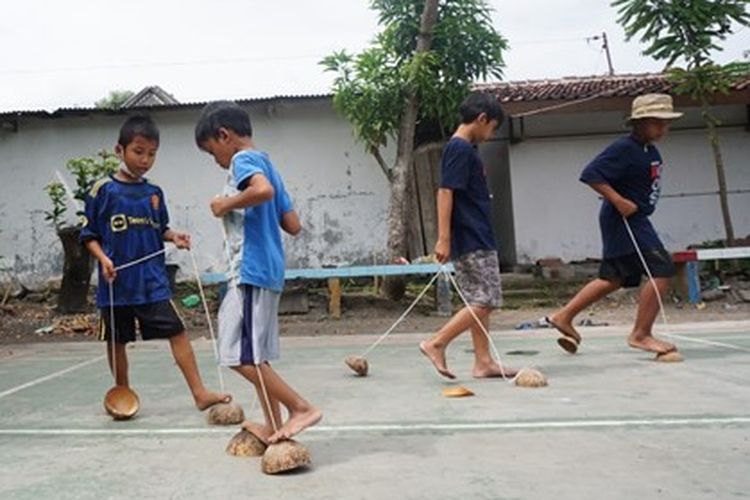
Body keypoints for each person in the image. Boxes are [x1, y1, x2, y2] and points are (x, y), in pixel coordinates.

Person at [81, 115, 231, 411]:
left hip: (152, 282)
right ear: (119, 150)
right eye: (138, 152)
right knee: (117, 341)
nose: (145, 160)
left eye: (151, 154)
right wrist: (103, 259)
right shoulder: (103, 191)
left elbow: (158, 228)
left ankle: (200, 392)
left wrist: (174, 236)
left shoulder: (154, 194)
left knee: (177, 331)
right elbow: (89, 235)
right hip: (117, 284)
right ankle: (122, 394)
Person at [195, 101, 321, 443]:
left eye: (212, 153)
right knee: (255, 355)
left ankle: (300, 407)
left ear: (224, 135)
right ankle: (274, 424)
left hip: (249, 270)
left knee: (234, 352)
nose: (217, 161)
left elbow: (261, 192)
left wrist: (225, 204)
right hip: (268, 269)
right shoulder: (268, 165)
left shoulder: (242, 160)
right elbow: (293, 224)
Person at [546, 93, 683, 356]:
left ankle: (563, 316)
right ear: (640, 122)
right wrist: (618, 200)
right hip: (625, 221)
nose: (664, 128)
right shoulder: (625, 148)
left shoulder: (649, 150)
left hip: (635, 219)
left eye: (667, 123)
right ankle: (641, 334)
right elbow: (591, 174)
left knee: (615, 277)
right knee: (661, 268)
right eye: (658, 122)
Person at [419, 92, 517, 380]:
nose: (491, 134)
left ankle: (483, 362)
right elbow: (446, 191)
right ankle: (436, 342)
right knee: (485, 299)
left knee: (478, 298)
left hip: (478, 233)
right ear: (482, 119)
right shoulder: (459, 148)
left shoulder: (466, 150)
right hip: (470, 235)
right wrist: (443, 237)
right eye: (492, 127)